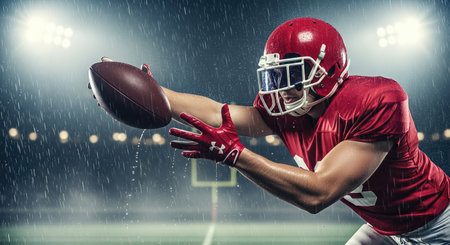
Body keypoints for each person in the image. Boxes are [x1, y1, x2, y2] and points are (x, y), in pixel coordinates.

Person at [106, 17, 450, 244]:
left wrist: (236, 156)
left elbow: (318, 193)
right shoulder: (287, 111)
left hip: (439, 225)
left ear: (328, 70)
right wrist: (156, 94)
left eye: (291, 74)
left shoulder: (377, 100)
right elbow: (217, 112)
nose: (279, 88)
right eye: (275, 76)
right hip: (385, 230)